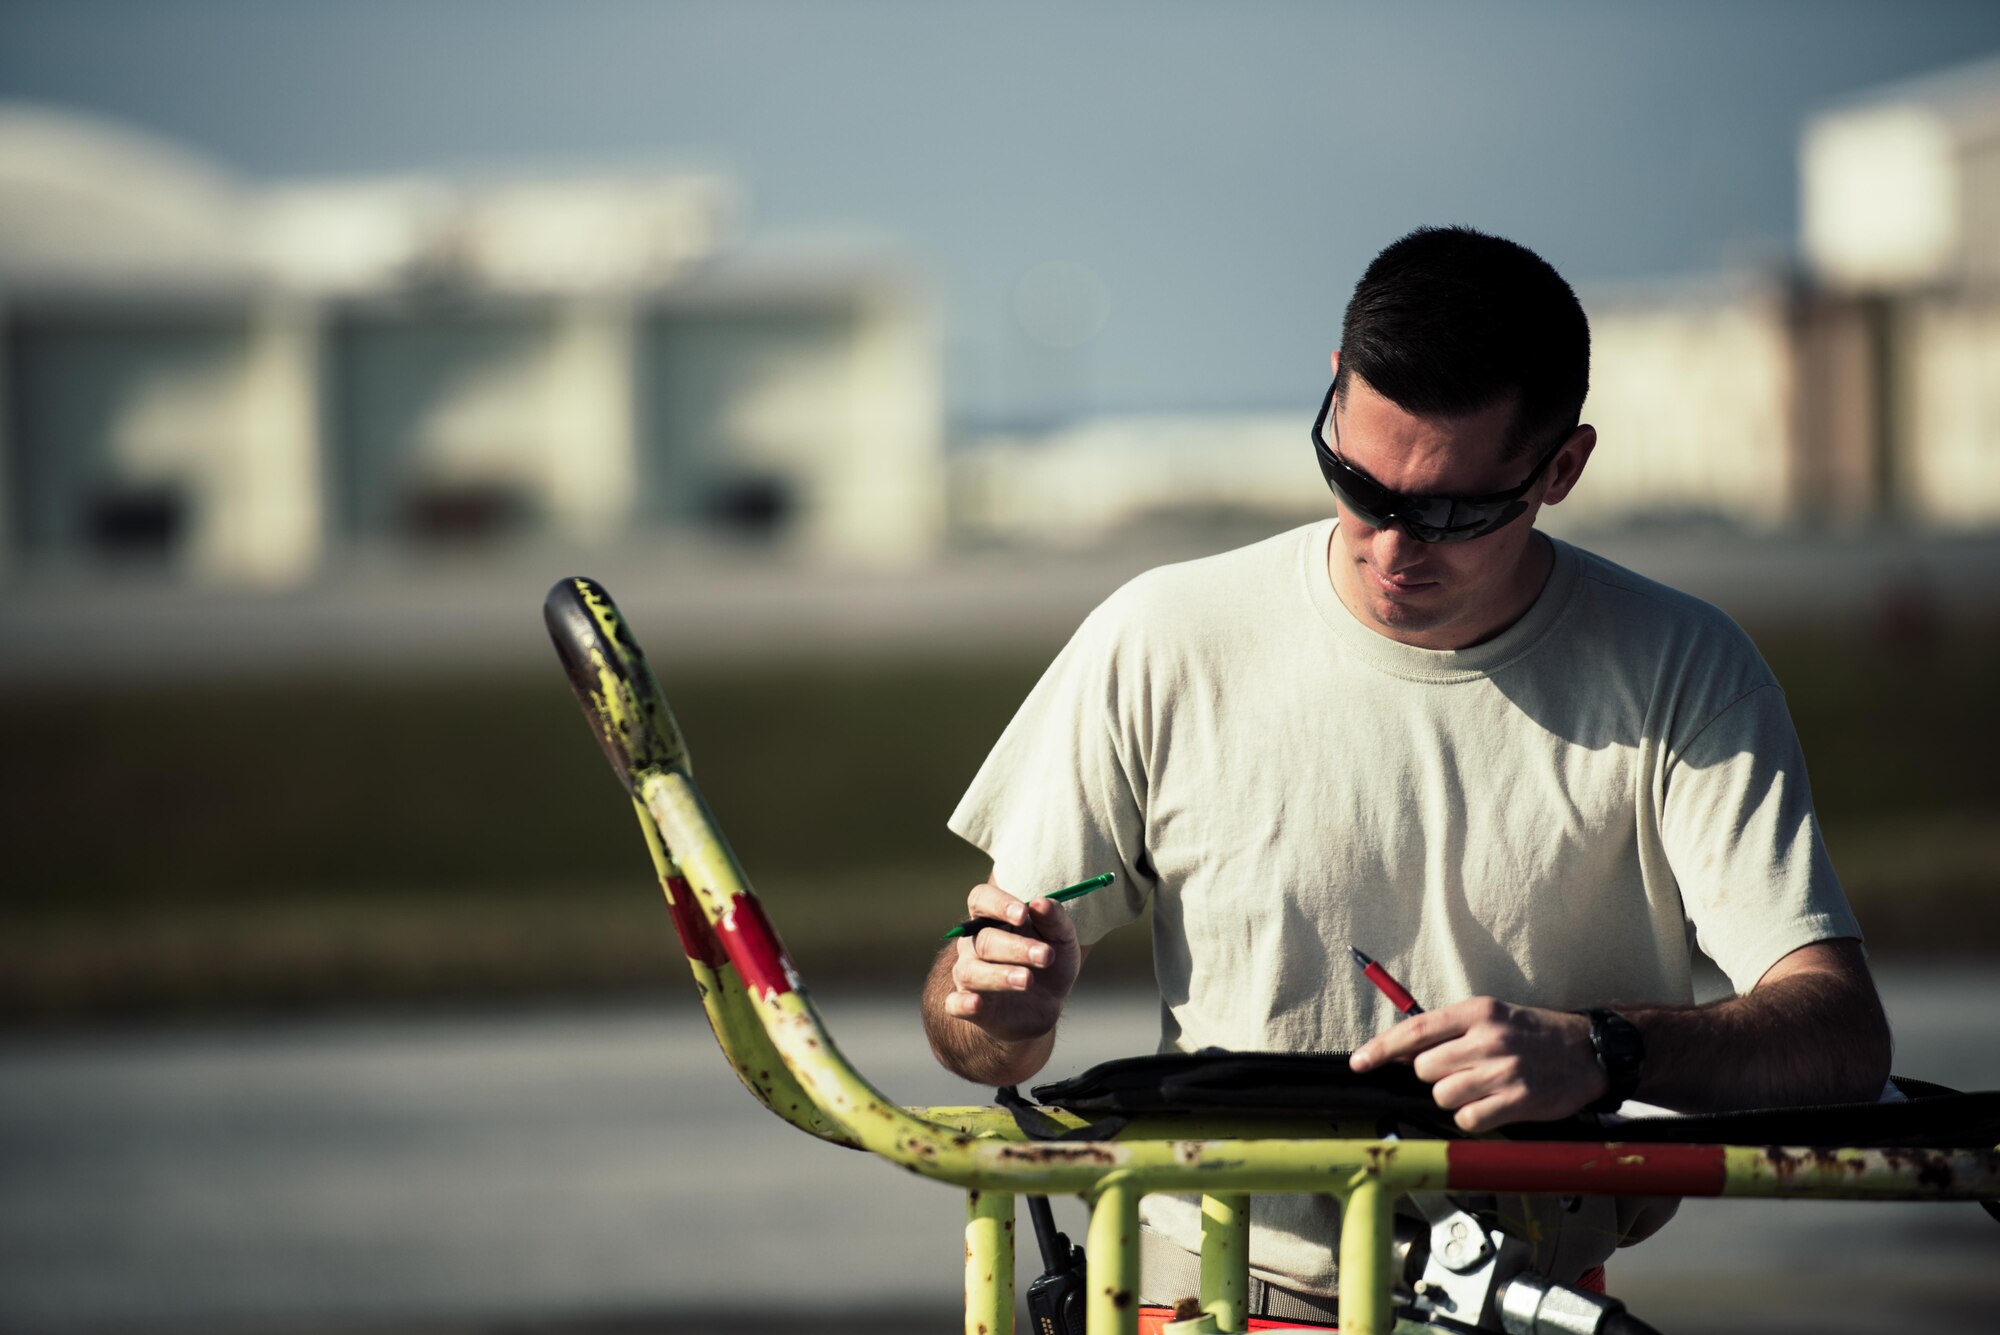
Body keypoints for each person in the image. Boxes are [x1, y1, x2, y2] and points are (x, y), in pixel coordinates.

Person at [919, 225, 1891, 1308]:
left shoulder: (1679, 668)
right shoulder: (1161, 635)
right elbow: (972, 1036)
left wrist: (1602, 1053)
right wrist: (996, 1008)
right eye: (1355, 481)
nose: (1388, 547)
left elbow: (1838, 1038)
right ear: (1332, 392)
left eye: (1448, 514)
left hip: (1536, 1303)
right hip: (1206, 1300)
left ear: (1561, 468)